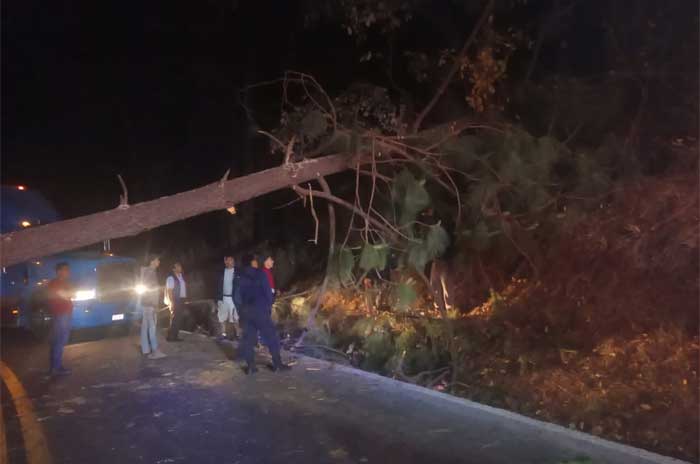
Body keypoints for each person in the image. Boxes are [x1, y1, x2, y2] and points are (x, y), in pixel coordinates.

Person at [237, 253, 290, 374]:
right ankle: (277, 365)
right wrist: (269, 304)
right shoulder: (260, 273)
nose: (257, 263)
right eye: (255, 261)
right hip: (260, 310)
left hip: (246, 311)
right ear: (252, 262)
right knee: (272, 337)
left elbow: (239, 295)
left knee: (249, 340)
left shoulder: (240, 276)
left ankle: (251, 367)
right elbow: (267, 292)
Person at [47, 262, 75, 376]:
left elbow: (72, 294)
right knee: (60, 340)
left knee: (60, 340)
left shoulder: (63, 282)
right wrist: (69, 294)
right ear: (59, 271)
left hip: (64, 314)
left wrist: (70, 294)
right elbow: (66, 295)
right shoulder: (55, 283)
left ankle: (56, 366)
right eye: (65, 270)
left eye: (68, 269)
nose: (67, 272)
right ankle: (56, 367)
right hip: (61, 314)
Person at [138, 255, 166, 359]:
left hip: (145, 304)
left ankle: (145, 349)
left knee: (145, 326)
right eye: (157, 260)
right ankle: (155, 351)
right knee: (152, 327)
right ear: (152, 261)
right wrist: (154, 305)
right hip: (150, 304)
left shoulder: (145, 272)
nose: (159, 261)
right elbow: (150, 290)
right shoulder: (150, 272)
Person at [216, 254, 240, 340]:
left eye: (231, 260)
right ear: (225, 261)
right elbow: (218, 286)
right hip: (223, 297)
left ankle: (238, 335)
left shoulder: (237, 273)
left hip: (233, 299)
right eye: (228, 260)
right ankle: (223, 334)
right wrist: (218, 299)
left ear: (233, 261)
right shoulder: (221, 272)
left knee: (235, 317)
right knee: (222, 317)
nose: (230, 262)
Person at [165, 262, 187, 342]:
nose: (180, 267)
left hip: (181, 300)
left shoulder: (181, 276)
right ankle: (171, 336)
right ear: (174, 269)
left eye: (180, 266)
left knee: (178, 318)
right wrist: (172, 302)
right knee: (174, 318)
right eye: (178, 266)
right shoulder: (171, 278)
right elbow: (169, 291)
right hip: (175, 299)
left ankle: (175, 335)